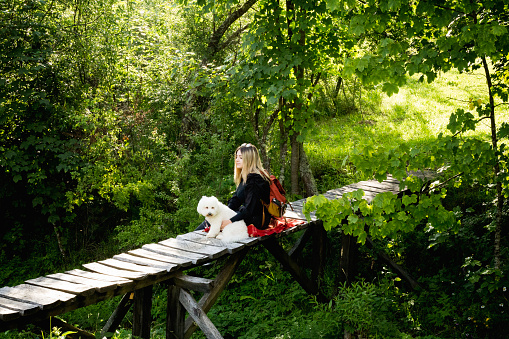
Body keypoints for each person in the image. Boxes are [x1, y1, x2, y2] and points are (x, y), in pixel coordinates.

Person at [196, 143, 271, 231]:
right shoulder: (246, 175)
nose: (237, 160)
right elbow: (236, 199)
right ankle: (193, 237)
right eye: (237, 157)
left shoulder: (255, 180)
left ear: (249, 159)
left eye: (241, 158)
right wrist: (223, 212)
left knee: (214, 224)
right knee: (213, 219)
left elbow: (250, 210)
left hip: (256, 220)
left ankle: (194, 238)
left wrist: (230, 221)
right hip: (245, 215)